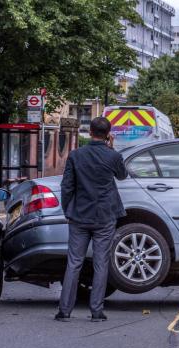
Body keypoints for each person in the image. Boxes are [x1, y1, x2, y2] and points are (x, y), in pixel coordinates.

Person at [55, 117, 128, 322]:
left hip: (79, 215)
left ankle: (64, 310)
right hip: (104, 216)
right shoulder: (112, 156)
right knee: (101, 263)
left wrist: (67, 210)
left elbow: (67, 186)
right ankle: (96, 311)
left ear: (89, 132)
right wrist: (112, 149)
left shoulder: (76, 155)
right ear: (108, 134)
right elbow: (123, 176)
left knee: (74, 262)